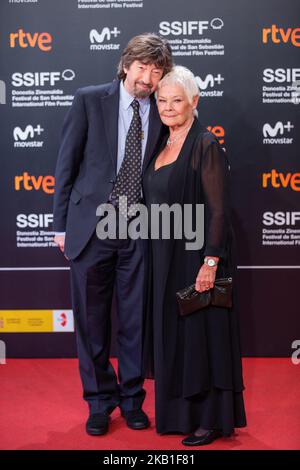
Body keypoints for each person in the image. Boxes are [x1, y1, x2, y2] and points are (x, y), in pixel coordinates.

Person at [53, 33, 173, 436]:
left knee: (136, 321)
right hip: (90, 227)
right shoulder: (89, 99)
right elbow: (66, 166)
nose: (148, 78)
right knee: (91, 321)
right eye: (142, 67)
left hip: (139, 228)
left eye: (157, 71)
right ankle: (99, 402)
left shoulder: (162, 108)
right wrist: (60, 226)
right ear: (126, 65)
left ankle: (132, 399)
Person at [142, 66, 247, 446]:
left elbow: (219, 210)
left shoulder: (205, 144)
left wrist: (210, 261)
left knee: (202, 337)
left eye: (177, 101)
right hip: (162, 257)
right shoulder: (159, 143)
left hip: (196, 258)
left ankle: (210, 420)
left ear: (194, 103)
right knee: (174, 337)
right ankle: (178, 416)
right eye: (162, 100)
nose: (168, 108)